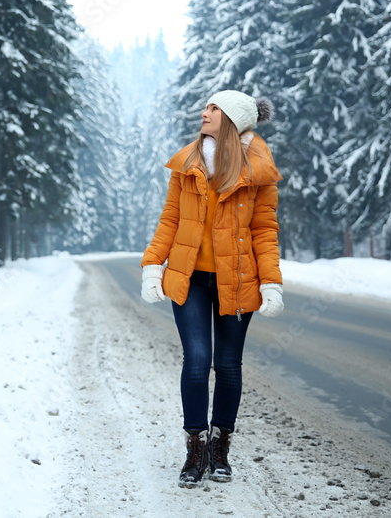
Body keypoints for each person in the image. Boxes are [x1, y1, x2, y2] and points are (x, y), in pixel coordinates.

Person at [139, 90, 284, 487]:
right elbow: (170, 218)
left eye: (213, 108)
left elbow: (265, 230)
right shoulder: (187, 164)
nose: (204, 113)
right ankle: (196, 445)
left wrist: (271, 281)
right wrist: (154, 263)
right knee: (198, 360)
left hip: (237, 279)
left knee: (228, 365)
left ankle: (221, 445)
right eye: (206, 107)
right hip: (191, 279)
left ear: (234, 119)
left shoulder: (259, 171)